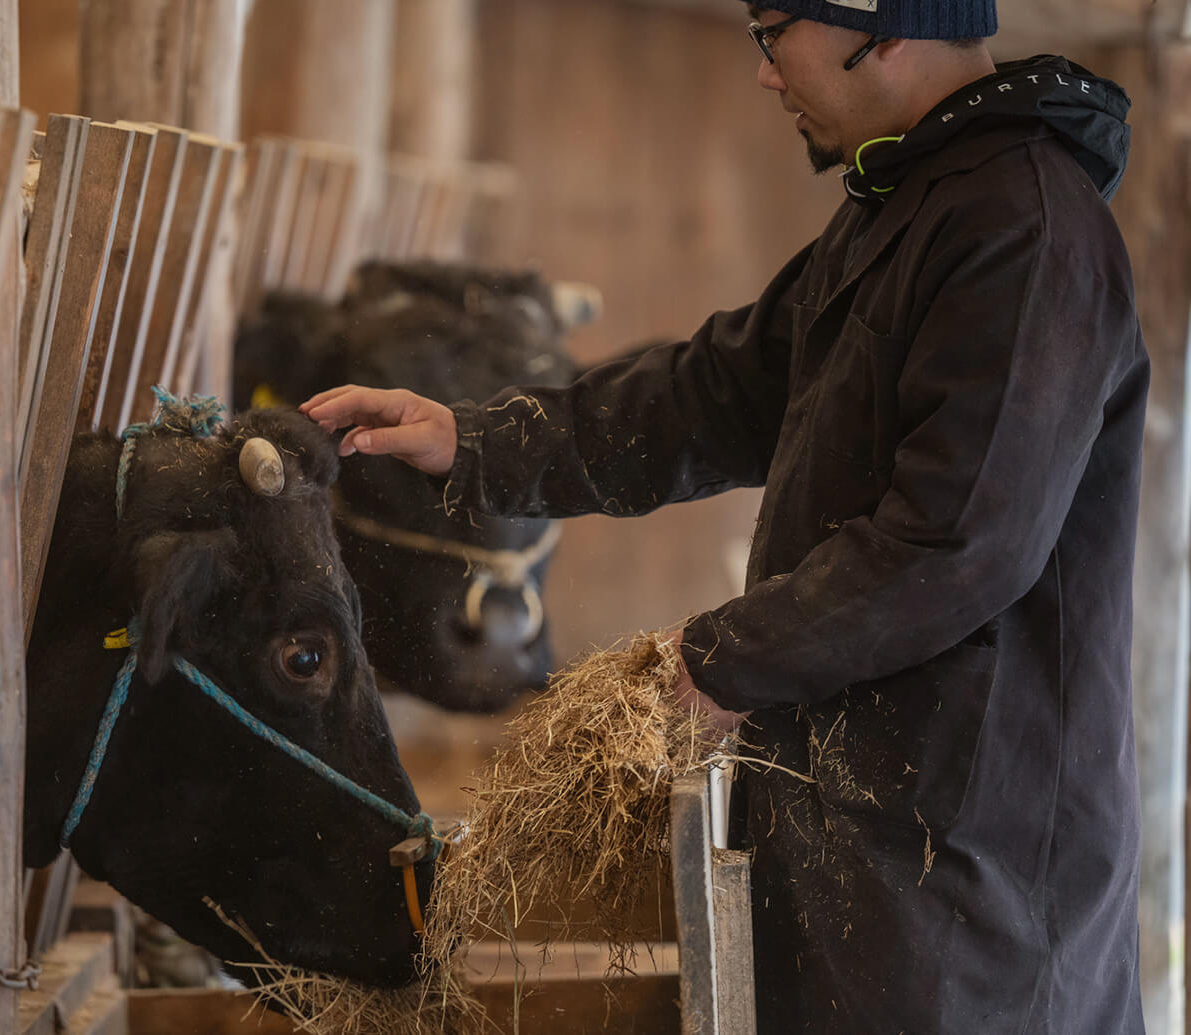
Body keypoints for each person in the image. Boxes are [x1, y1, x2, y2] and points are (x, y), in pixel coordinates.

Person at [303, 0, 1147, 1029]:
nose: (763, 74)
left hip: (966, 861)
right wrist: (470, 443)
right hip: (877, 826)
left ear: (876, 27)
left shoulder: (1023, 229)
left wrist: (722, 656)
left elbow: (956, 541)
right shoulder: (908, 205)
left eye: (771, 33)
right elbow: (712, 394)